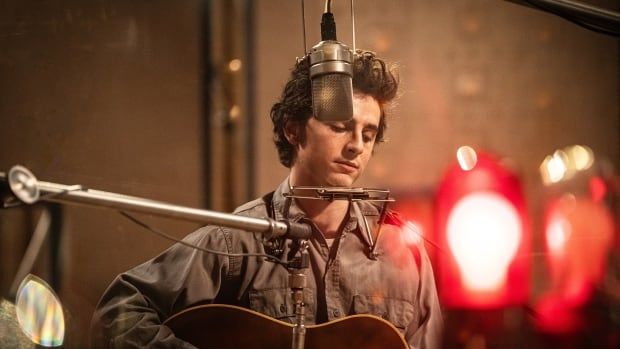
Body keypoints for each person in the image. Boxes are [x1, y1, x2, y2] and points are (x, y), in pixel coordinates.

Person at [90, 50, 443, 348]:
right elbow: (116, 313)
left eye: (368, 134)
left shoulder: (404, 251)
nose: (356, 146)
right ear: (293, 129)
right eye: (339, 127)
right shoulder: (236, 241)